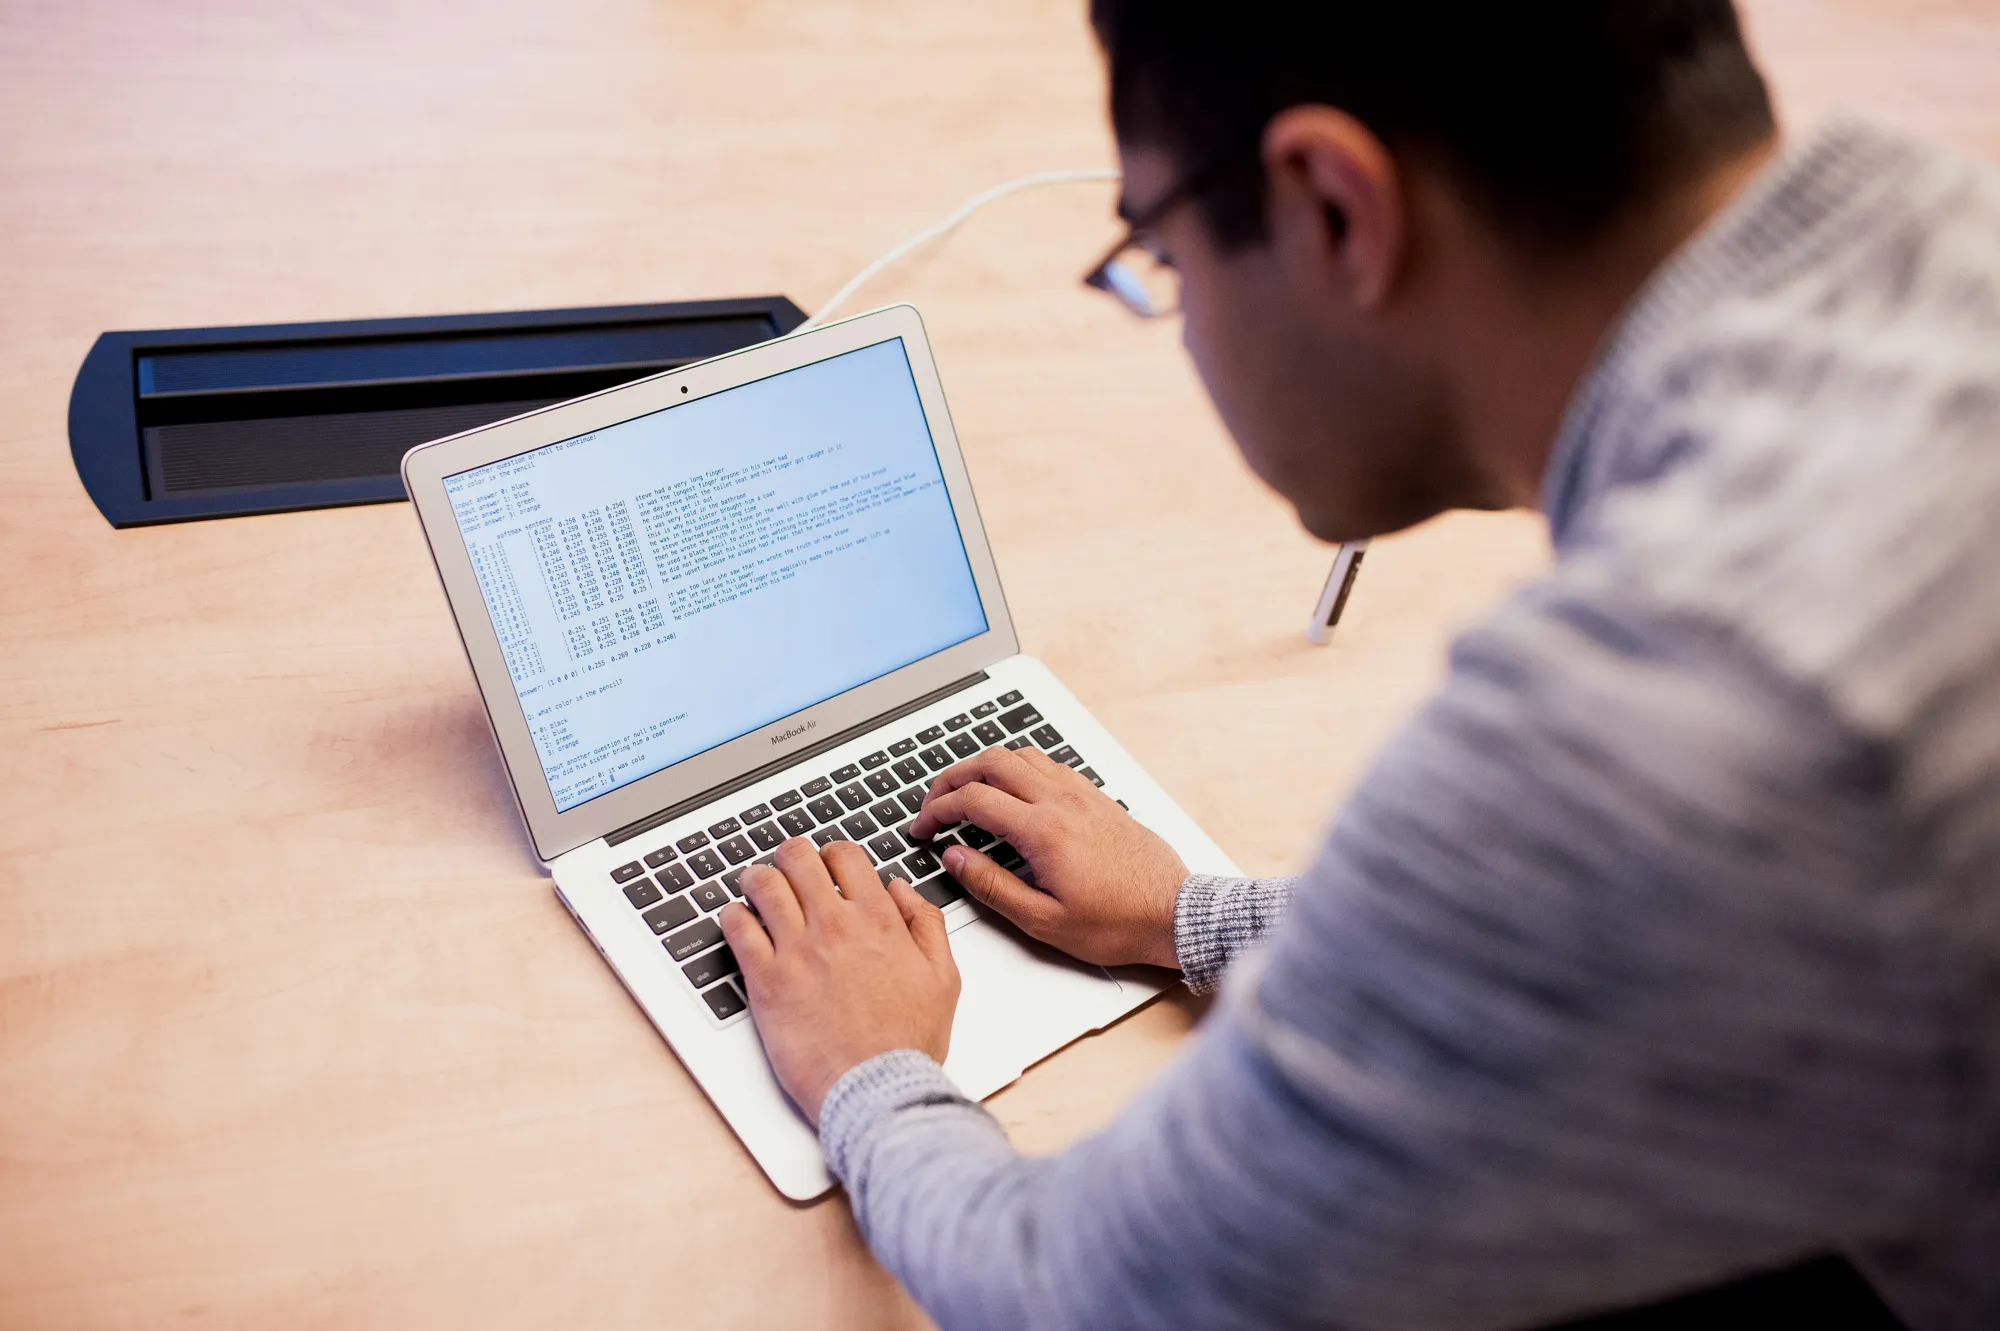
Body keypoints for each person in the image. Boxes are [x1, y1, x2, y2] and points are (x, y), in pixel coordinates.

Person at [716, 3, 2000, 1327]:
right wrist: (1191, 915)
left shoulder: (1664, 719)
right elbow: (1628, 936)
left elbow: (1087, 1294)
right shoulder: (1948, 232)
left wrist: (869, 1069)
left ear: (1334, 208)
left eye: (1162, 255)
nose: (1181, 316)